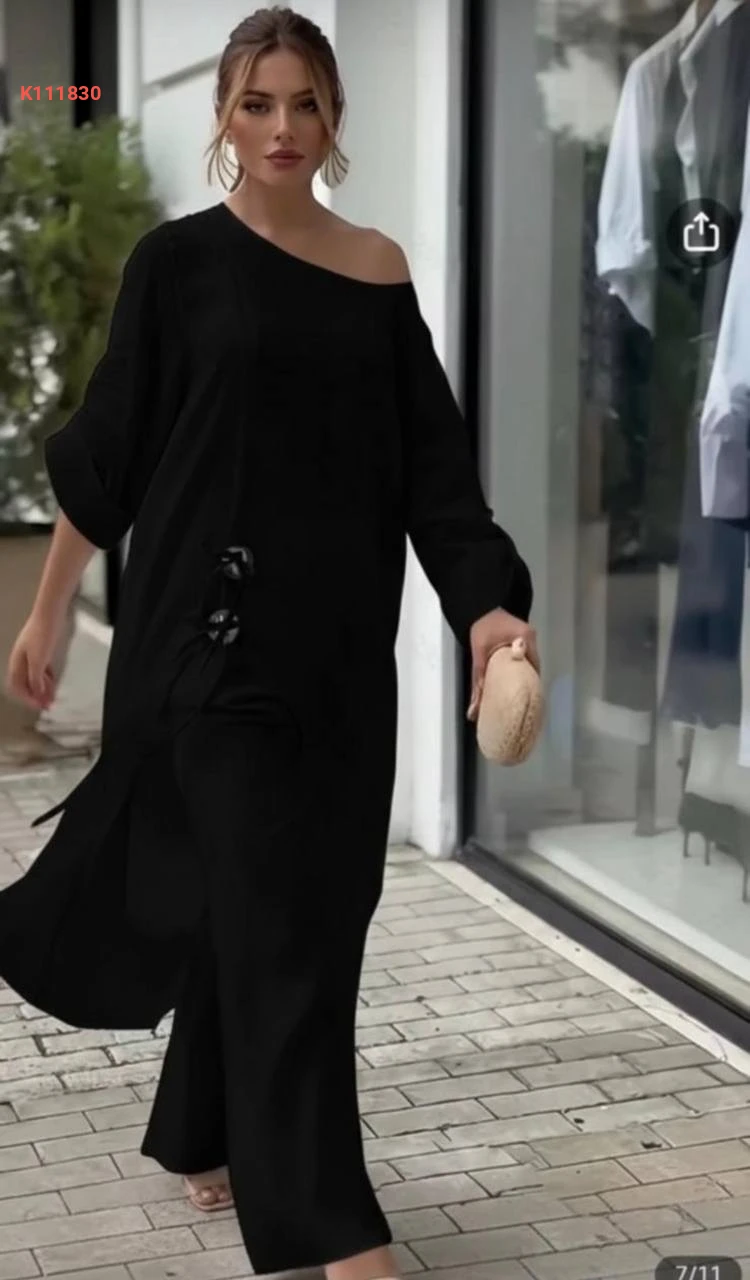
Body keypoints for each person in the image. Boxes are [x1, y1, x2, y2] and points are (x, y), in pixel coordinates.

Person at [1, 7, 537, 1279]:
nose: (283, 127)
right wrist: (47, 608)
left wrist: (487, 607)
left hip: (339, 663)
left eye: (305, 102)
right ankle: (332, 1228)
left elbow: (436, 477)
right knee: (276, 922)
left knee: (308, 913)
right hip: (209, 651)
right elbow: (109, 454)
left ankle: (203, 1123)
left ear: (336, 115)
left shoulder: (377, 270)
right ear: (225, 117)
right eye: (258, 102)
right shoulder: (177, 265)